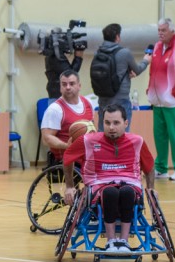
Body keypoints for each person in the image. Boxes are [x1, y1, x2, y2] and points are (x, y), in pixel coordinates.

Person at [63, 104, 155, 252]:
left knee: (127, 192)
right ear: (102, 123)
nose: (111, 127)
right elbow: (67, 158)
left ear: (126, 123)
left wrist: (151, 189)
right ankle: (111, 241)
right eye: (107, 123)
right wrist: (69, 186)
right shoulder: (87, 140)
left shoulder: (137, 141)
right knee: (110, 192)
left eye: (116, 123)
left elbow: (149, 166)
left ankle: (124, 241)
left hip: (130, 183)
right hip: (98, 185)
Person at [146, 17, 175, 182]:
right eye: (159, 30)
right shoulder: (157, 46)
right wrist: (150, 88)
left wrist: (174, 93)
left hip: (174, 102)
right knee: (159, 136)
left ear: (172, 30)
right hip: (158, 101)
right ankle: (161, 168)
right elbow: (153, 71)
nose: (160, 33)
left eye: (163, 30)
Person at [91, 23, 149, 130]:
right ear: (117, 37)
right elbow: (137, 70)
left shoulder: (97, 53)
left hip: (103, 100)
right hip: (121, 100)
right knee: (122, 135)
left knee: (103, 134)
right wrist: (146, 61)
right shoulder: (124, 53)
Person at [39, 69, 96, 165]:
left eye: (72, 84)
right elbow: (46, 139)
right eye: (64, 84)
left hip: (88, 157)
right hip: (68, 160)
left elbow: (93, 129)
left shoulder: (88, 103)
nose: (68, 87)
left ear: (79, 86)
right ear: (60, 87)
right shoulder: (55, 109)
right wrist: (67, 146)